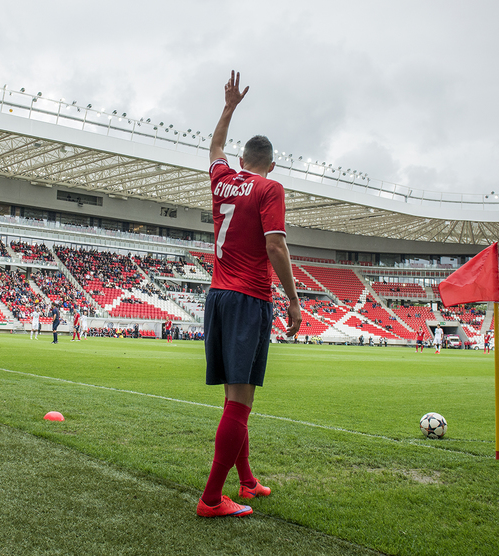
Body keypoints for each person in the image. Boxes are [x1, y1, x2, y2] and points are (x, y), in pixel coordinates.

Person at [196, 70, 301, 519]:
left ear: (242, 159)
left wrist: (228, 107)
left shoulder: (222, 178)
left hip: (218, 296)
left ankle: (246, 479)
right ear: (272, 165)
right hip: (249, 298)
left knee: (234, 397)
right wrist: (294, 299)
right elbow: (276, 246)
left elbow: (214, 147)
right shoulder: (270, 188)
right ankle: (211, 499)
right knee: (241, 402)